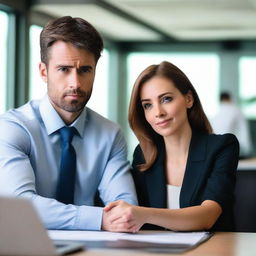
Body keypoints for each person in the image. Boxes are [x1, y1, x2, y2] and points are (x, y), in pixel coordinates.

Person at [0, 16, 137, 231]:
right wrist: (99, 219)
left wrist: (118, 217)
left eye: (85, 70)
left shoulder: (109, 134)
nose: (75, 83)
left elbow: (126, 208)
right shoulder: (14, 128)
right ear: (44, 72)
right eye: (64, 69)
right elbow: (22, 206)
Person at [104, 61, 239, 233]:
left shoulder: (222, 147)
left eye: (166, 99)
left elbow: (208, 215)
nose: (158, 112)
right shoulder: (144, 154)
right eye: (148, 105)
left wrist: (143, 214)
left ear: (188, 99)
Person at [211, 91, 252, 158]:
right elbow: (244, 131)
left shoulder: (216, 114)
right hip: (233, 149)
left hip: (216, 149)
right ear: (230, 98)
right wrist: (247, 150)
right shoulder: (237, 111)